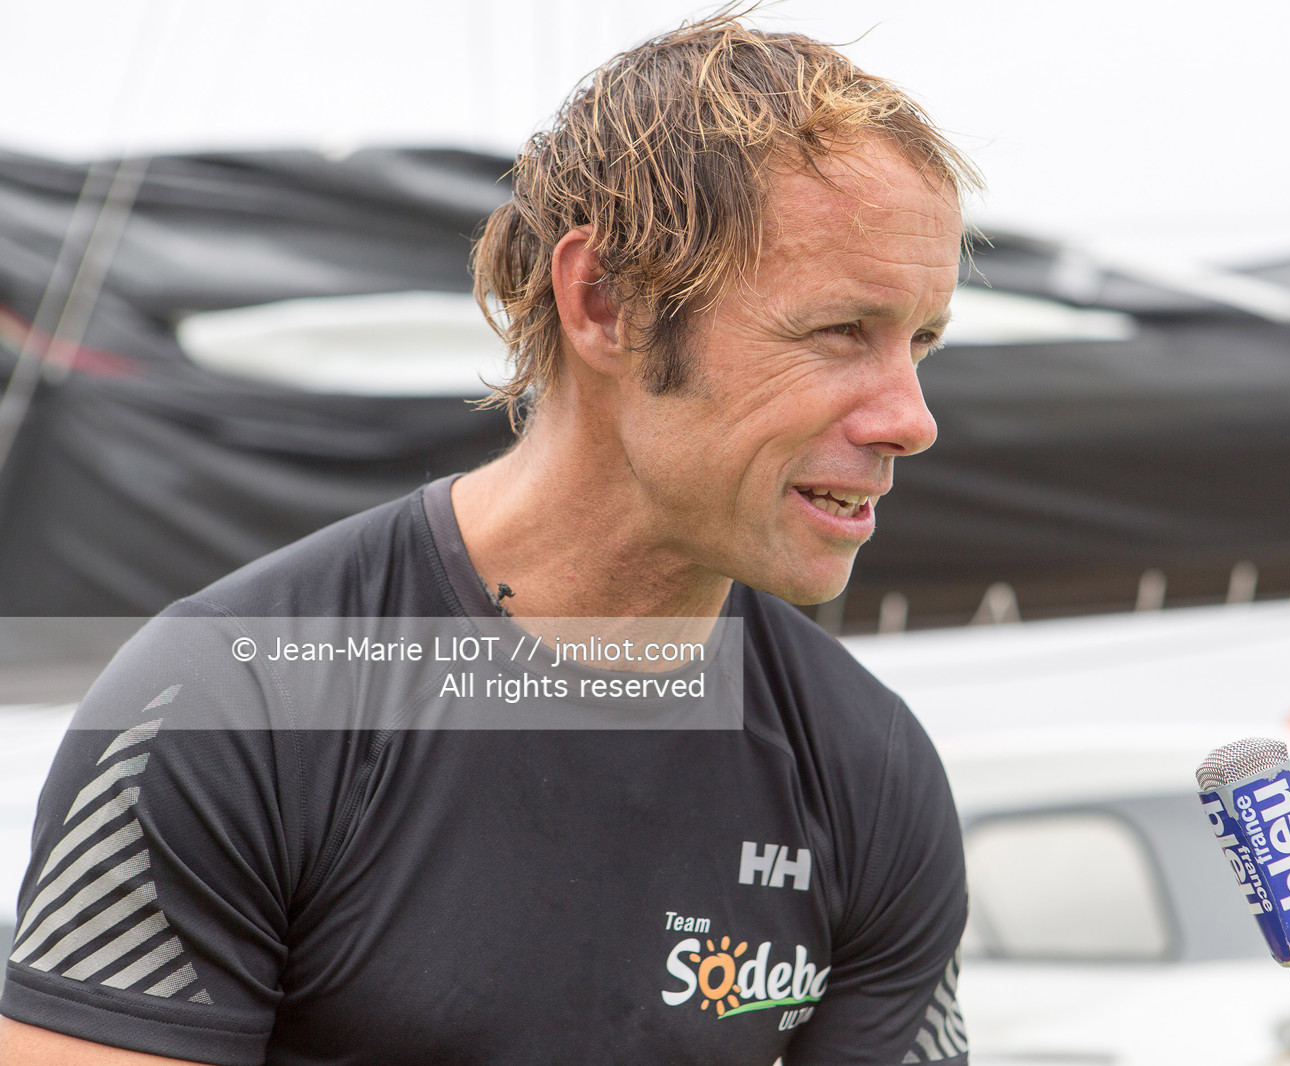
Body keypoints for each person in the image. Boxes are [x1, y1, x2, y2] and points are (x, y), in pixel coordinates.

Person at [1, 14, 980, 1065]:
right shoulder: (233, 706)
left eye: (919, 343)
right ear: (604, 301)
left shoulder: (867, 771)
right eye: (840, 332)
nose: (910, 418)